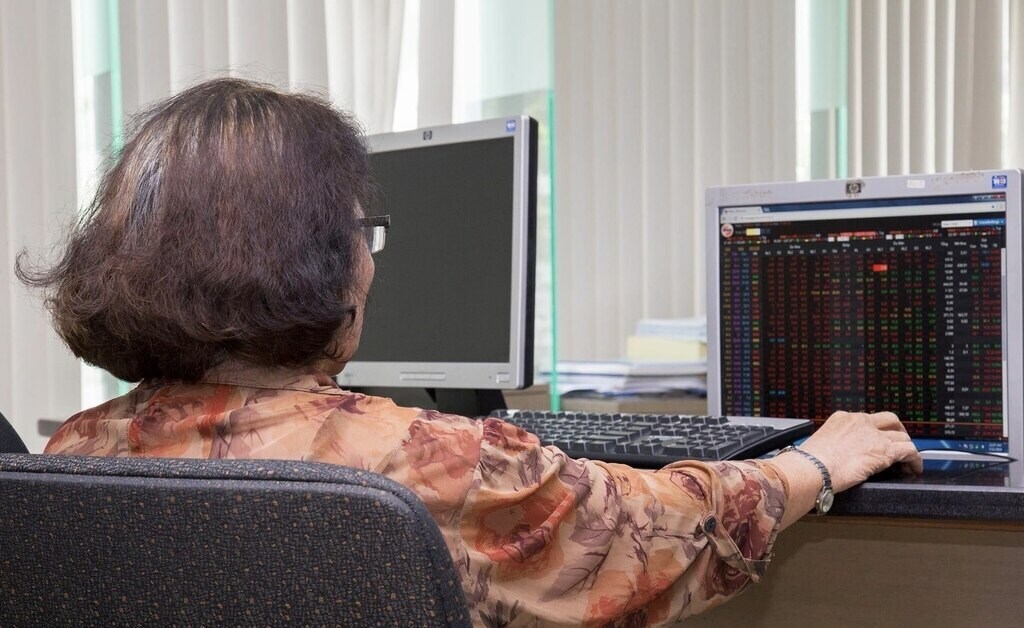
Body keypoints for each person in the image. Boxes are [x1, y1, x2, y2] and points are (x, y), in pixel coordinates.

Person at [19, 78, 922, 626]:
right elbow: (659, 534)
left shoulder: (75, 452)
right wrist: (814, 464)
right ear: (320, 264)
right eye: (361, 234)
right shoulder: (434, 465)